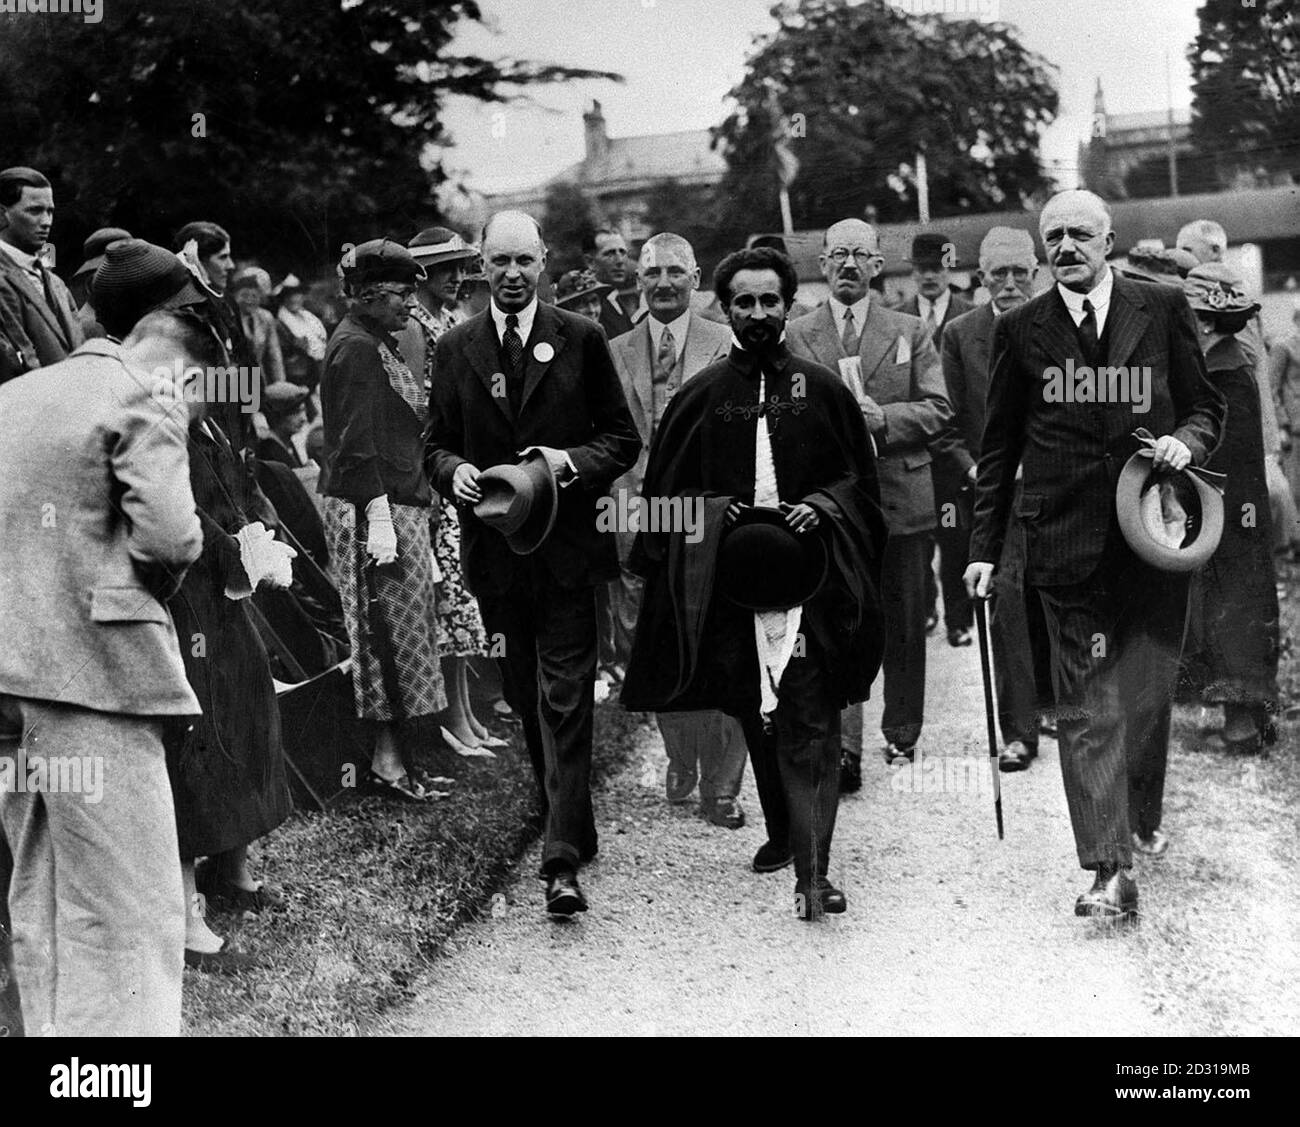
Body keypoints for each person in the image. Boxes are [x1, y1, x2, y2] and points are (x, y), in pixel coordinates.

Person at [966, 190, 1224, 921]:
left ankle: (1138, 814)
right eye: (1055, 235)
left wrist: (1188, 443)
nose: (1067, 245)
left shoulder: (1164, 306)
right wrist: (984, 548)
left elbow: (1208, 406)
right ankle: (1109, 868)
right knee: (1086, 705)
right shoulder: (1022, 329)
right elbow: (999, 447)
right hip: (1064, 542)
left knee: (1145, 691)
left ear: (1109, 239)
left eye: (1081, 232)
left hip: (1152, 532)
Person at [621, 245, 886, 917]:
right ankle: (784, 832)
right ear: (726, 308)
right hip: (729, 593)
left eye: (771, 300)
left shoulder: (822, 389)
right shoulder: (699, 397)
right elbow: (661, 505)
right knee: (757, 715)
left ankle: (814, 872)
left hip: (811, 582)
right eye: (745, 301)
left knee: (810, 718)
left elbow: (859, 484)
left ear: (789, 304)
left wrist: (820, 506)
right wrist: (713, 510)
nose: (759, 313)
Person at [0, 268, 214, 1033]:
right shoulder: (142, 390)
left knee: (41, 894)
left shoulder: (16, 393)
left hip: (10, 674)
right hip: (97, 675)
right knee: (128, 914)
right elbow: (170, 534)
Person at [425, 211, 640, 917]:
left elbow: (622, 440)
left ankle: (559, 862)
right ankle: (569, 816)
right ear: (478, 267)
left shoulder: (579, 338)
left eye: (524, 261)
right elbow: (435, 444)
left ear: (543, 262)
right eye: (499, 262)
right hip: (498, 558)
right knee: (523, 696)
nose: (512, 274)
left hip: (570, 552)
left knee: (566, 696)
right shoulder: (456, 348)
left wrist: (567, 465)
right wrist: (452, 470)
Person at [785, 218, 951, 787]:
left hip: (902, 497)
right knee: (838, 624)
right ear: (823, 264)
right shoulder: (798, 333)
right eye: (838, 256)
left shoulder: (909, 330)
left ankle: (902, 733)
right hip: (833, 505)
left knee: (904, 621)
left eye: (861, 255)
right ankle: (844, 747)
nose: (849, 265)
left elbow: (939, 408)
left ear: (879, 265)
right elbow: (783, 413)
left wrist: (887, 420)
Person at [608, 232, 743, 828]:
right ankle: (680, 754)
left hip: (711, 510)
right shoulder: (613, 350)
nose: (662, 283)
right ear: (638, 281)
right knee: (653, 641)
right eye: (651, 273)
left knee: (722, 636)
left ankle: (723, 784)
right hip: (639, 511)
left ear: (696, 279)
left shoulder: (726, 342)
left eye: (674, 272)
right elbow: (606, 439)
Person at [320, 239, 449, 803]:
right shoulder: (355, 350)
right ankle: (390, 767)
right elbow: (353, 446)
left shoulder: (375, 342)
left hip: (399, 503)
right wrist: (378, 518)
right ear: (370, 295)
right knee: (387, 640)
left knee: (408, 635)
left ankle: (399, 761)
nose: (410, 305)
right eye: (401, 294)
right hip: (373, 509)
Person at [937, 227, 1049, 772]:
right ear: (981, 278)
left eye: (1019, 273)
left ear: (1037, 271)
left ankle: (1062, 709)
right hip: (999, 496)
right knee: (1006, 604)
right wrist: (979, 469)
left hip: (1061, 491)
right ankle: (1019, 731)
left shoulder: (1061, 324)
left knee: (1062, 600)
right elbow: (947, 423)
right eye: (997, 274)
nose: (1009, 284)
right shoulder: (960, 336)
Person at [401, 227, 505, 759]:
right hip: (433, 481)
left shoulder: (446, 321)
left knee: (464, 607)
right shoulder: (415, 327)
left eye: (461, 267)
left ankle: (466, 714)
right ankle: (453, 720)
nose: (456, 277)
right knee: (448, 605)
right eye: (444, 269)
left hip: (459, 472)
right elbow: (419, 412)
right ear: (421, 274)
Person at [1182, 264, 1279, 752]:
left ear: (1203, 321)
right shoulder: (1219, 363)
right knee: (1228, 606)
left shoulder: (1224, 370)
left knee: (1236, 606)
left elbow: (1227, 451)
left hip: (1231, 509)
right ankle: (1245, 716)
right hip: (1226, 505)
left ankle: (1245, 722)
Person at [899, 232, 975, 644]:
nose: (930, 276)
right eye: (922, 268)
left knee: (953, 535)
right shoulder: (897, 318)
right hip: (912, 453)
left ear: (951, 269)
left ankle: (958, 621)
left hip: (953, 454)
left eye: (938, 267)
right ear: (912, 271)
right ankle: (925, 608)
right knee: (917, 542)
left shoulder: (969, 317)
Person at [0, 167, 84, 381]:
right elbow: (17, 364)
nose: (46, 222)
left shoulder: (56, 283)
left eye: (50, 211)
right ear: (2, 214)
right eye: (35, 211)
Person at [275, 274, 328, 411]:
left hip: (316, 374)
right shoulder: (280, 324)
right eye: (290, 295)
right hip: (298, 378)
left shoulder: (308, 318)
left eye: (297, 294)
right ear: (284, 298)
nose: (294, 299)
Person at [231, 267, 287, 388]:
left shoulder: (266, 317)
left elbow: (275, 355)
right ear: (235, 296)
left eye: (254, 295)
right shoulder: (229, 317)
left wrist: (281, 384)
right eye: (244, 295)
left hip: (259, 380)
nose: (249, 300)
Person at [584, 227, 636, 338]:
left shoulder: (613, 298)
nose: (620, 261)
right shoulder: (587, 307)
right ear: (590, 262)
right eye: (610, 254)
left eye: (622, 252)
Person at [257, 380, 311, 468]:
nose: (303, 419)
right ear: (278, 415)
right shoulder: (270, 450)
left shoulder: (286, 443)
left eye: (304, 411)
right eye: (296, 412)